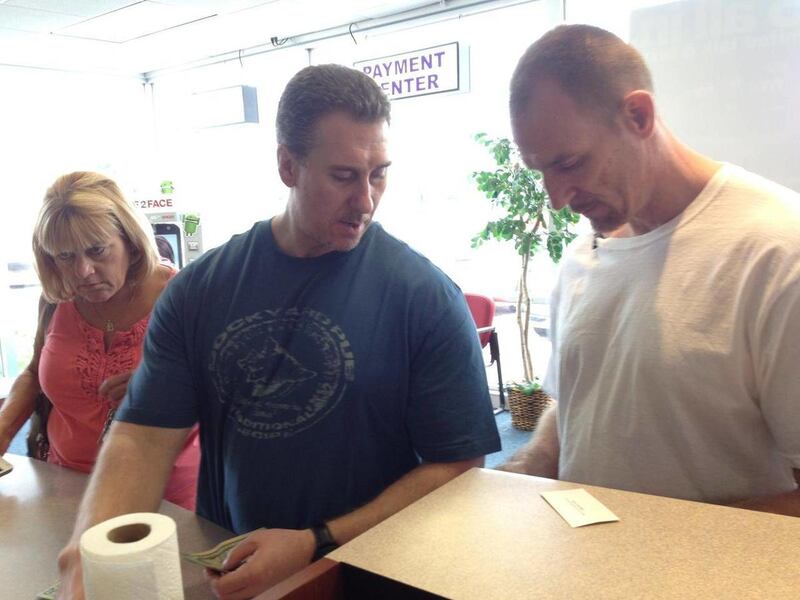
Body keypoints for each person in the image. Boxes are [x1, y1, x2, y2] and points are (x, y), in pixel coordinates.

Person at [57, 64, 500, 599]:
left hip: (375, 576)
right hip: (237, 571)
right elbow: (143, 435)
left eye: (378, 173)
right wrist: (89, 543)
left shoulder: (424, 297)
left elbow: (457, 464)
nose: (365, 200)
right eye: (343, 176)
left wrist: (317, 540)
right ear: (288, 165)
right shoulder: (201, 290)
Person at [500, 24, 800, 517]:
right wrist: (530, 465)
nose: (557, 197)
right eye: (542, 171)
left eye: (570, 163)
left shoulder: (775, 252)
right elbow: (576, 401)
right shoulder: (581, 256)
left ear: (638, 115)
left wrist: (658, 551)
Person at [0, 172, 200, 510]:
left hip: (164, 493)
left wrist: (169, 388)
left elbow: (232, 389)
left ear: (130, 241)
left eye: (97, 250)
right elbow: (35, 374)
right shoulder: (56, 298)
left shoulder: (184, 296)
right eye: (64, 257)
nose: (83, 271)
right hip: (65, 485)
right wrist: (4, 428)